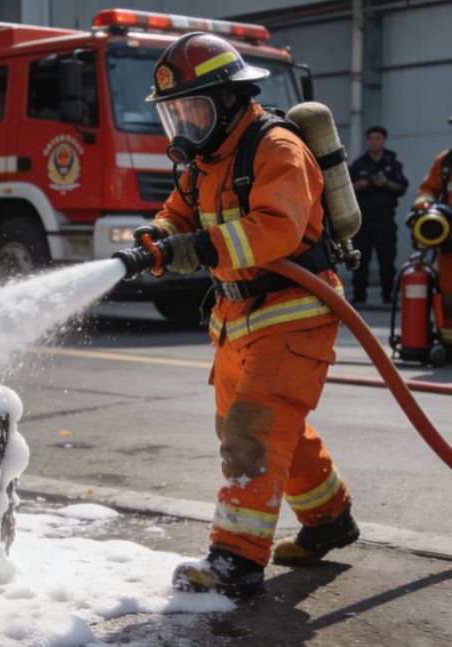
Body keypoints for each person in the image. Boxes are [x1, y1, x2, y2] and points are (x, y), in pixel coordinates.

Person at [133, 32, 359, 596]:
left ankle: (236, 560)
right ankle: (329, 518)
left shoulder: (277, 149)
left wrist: (198, 249)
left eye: (193, 108)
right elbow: (179, 212)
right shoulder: (207, 159)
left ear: (229, 98)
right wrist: (157, 236)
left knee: (252, 433)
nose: (185, 123)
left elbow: (277, 228)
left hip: (294, 312)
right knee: (267, 425)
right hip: (238, 316)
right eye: (175, 113)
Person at [348, 126, 408, 304]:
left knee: (387, 259)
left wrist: (386, 183)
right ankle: (359, 297)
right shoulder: (358, 164)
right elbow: (347, 187)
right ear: (368, 140)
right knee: (360, 260)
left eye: (378, 138)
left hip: (385, 218)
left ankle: (388, 296)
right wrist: (362, 184)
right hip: (363, 219)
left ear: (384, 140)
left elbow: (402, 187)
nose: (374, 142)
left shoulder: (393, 164)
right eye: (371, 138)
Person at [410, 130, 452, 345]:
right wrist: (425, 207)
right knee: (448, 295)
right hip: (449, 245)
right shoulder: (446, 162)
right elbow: (427, 191)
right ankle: (449, 343)